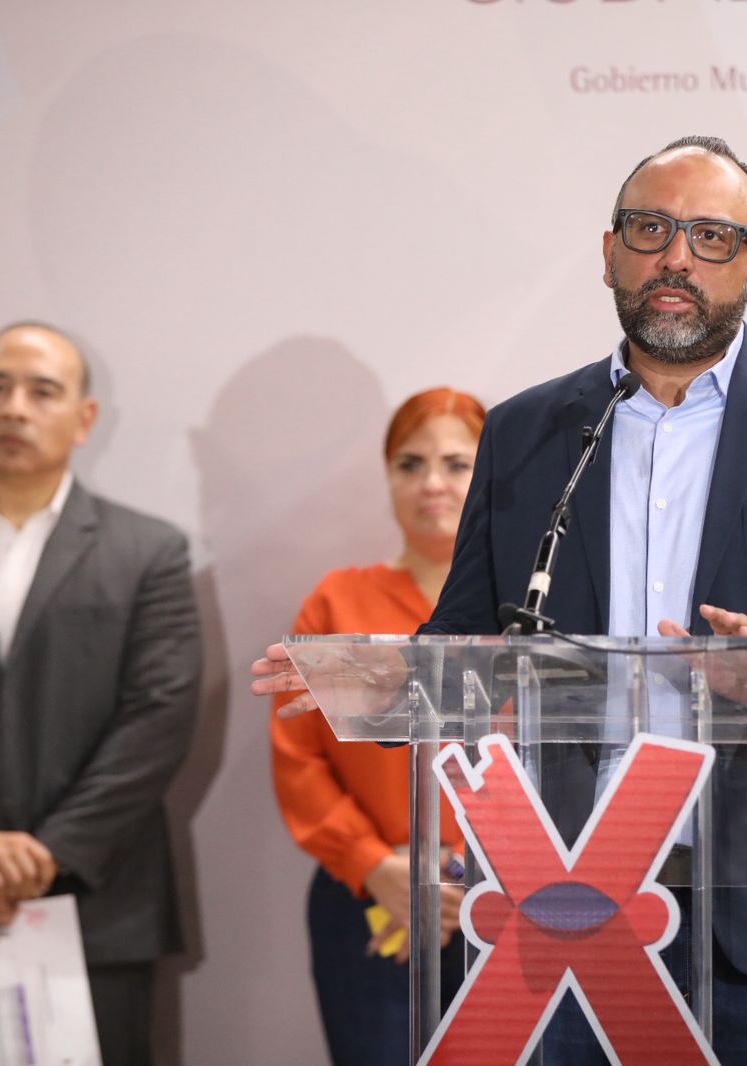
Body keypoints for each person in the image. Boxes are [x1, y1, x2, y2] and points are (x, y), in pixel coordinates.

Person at [268, 134, 747, 1063]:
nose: (676, 257)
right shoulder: (528, 430)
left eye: (712, 237)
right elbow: (466, 640)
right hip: (563, 896)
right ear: (609, 251)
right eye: (650, 229)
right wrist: (381, 683)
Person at [0, 322, 202, 1066]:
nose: (15, 407)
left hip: (96, 906)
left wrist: (46, 856)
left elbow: (158, 717)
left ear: (84, 418)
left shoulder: (148, 554)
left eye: (42, 390)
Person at [268, 387, 483, 1066]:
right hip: (368, 899)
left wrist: (468, 869)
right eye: (409, 464)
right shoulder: (337, 603)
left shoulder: (533, 611)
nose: (432, 484)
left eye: (457, 464)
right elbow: (299, 761)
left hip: (504, 896)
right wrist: (375, 866)